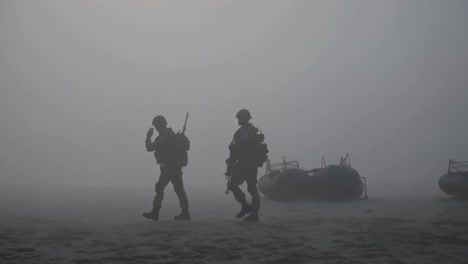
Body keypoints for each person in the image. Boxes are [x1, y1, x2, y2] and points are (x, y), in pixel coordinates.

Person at [142, 115, 190, 221]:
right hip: (170, 166)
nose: (156, 128)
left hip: (171, 166)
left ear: (160, 124)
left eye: (156, 125)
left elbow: (150, 147)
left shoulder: (166, 136)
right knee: (178, 188)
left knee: (160, 187)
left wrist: (148, 137)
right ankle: (185, 212)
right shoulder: (165, 135)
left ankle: (155, 212)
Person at [226, 109, 266, 222]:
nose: (238, 120)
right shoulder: (248, 131)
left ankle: (247, 208)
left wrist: (232, 159)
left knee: (233, 185)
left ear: (244, 118)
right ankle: (252, 211)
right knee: (251, 187)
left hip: (245, 163)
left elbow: (240, 149)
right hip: (250, 163)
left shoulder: (248, 132)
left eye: (239, 118)